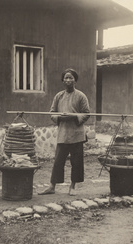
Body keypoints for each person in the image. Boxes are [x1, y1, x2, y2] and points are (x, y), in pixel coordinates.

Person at [38, 68, 90, 196]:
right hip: (63, 133)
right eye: (66, 78)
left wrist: (74, 117)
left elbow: (87, 113)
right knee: (58, 161)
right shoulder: (59, 96)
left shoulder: (81, 96)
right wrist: (60, 117)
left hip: (77, 134)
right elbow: (52, 112)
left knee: (76, 162)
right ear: (63, 81)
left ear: (75, 80)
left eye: (70, 78)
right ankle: (52, 186)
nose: (68, 80)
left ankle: (73, 186)